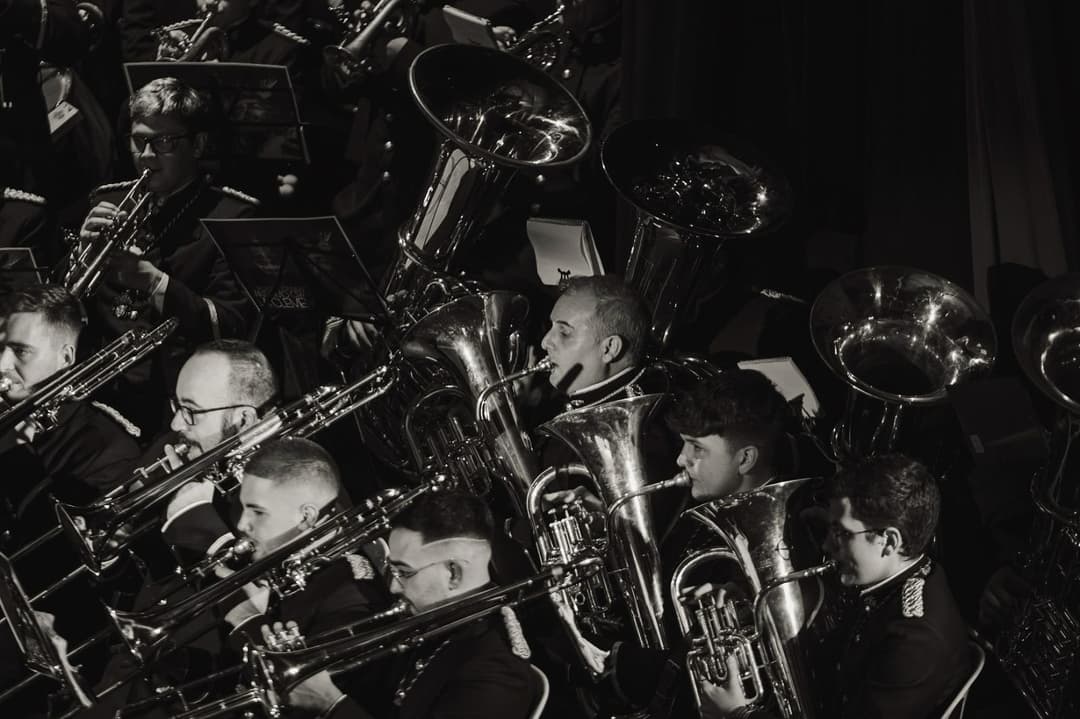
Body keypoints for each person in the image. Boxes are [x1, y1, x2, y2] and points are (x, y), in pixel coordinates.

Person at [76, 436, 391, 719]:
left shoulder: (350, 595)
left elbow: (296, 697)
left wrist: (247, 620)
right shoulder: (271, 546)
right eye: (244, 507)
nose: (242, 524)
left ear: (306, 516)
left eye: (258, 511)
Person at [700, 454, 972, 719]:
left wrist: (740, 713)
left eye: (842, 533)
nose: (827, 545)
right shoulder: (894, 579)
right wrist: (758, 602)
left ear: (889, 541)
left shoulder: (914, 643)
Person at [76, 76, 256, 433]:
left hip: (173, 402)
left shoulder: (230, 216)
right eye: (139, 141)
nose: (146, 156)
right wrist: (81, 258)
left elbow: (232, 325)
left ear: (197, 144)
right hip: (98, 391)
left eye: (164, 142)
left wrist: (156, 283)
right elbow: (61, 306)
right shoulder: (107, 201)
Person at [281, 491, 542, 719]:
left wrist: (332, 705)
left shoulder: (496, 669)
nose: (394, 588)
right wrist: (304, 660)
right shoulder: (429, 616)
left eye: (404, 573)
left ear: (453, 573)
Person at [0, 285, 141, 539]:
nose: (2, 365)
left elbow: (50, 545)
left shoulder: (107, 450)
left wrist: (15, 454)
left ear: (66, 357)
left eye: (21, 351)